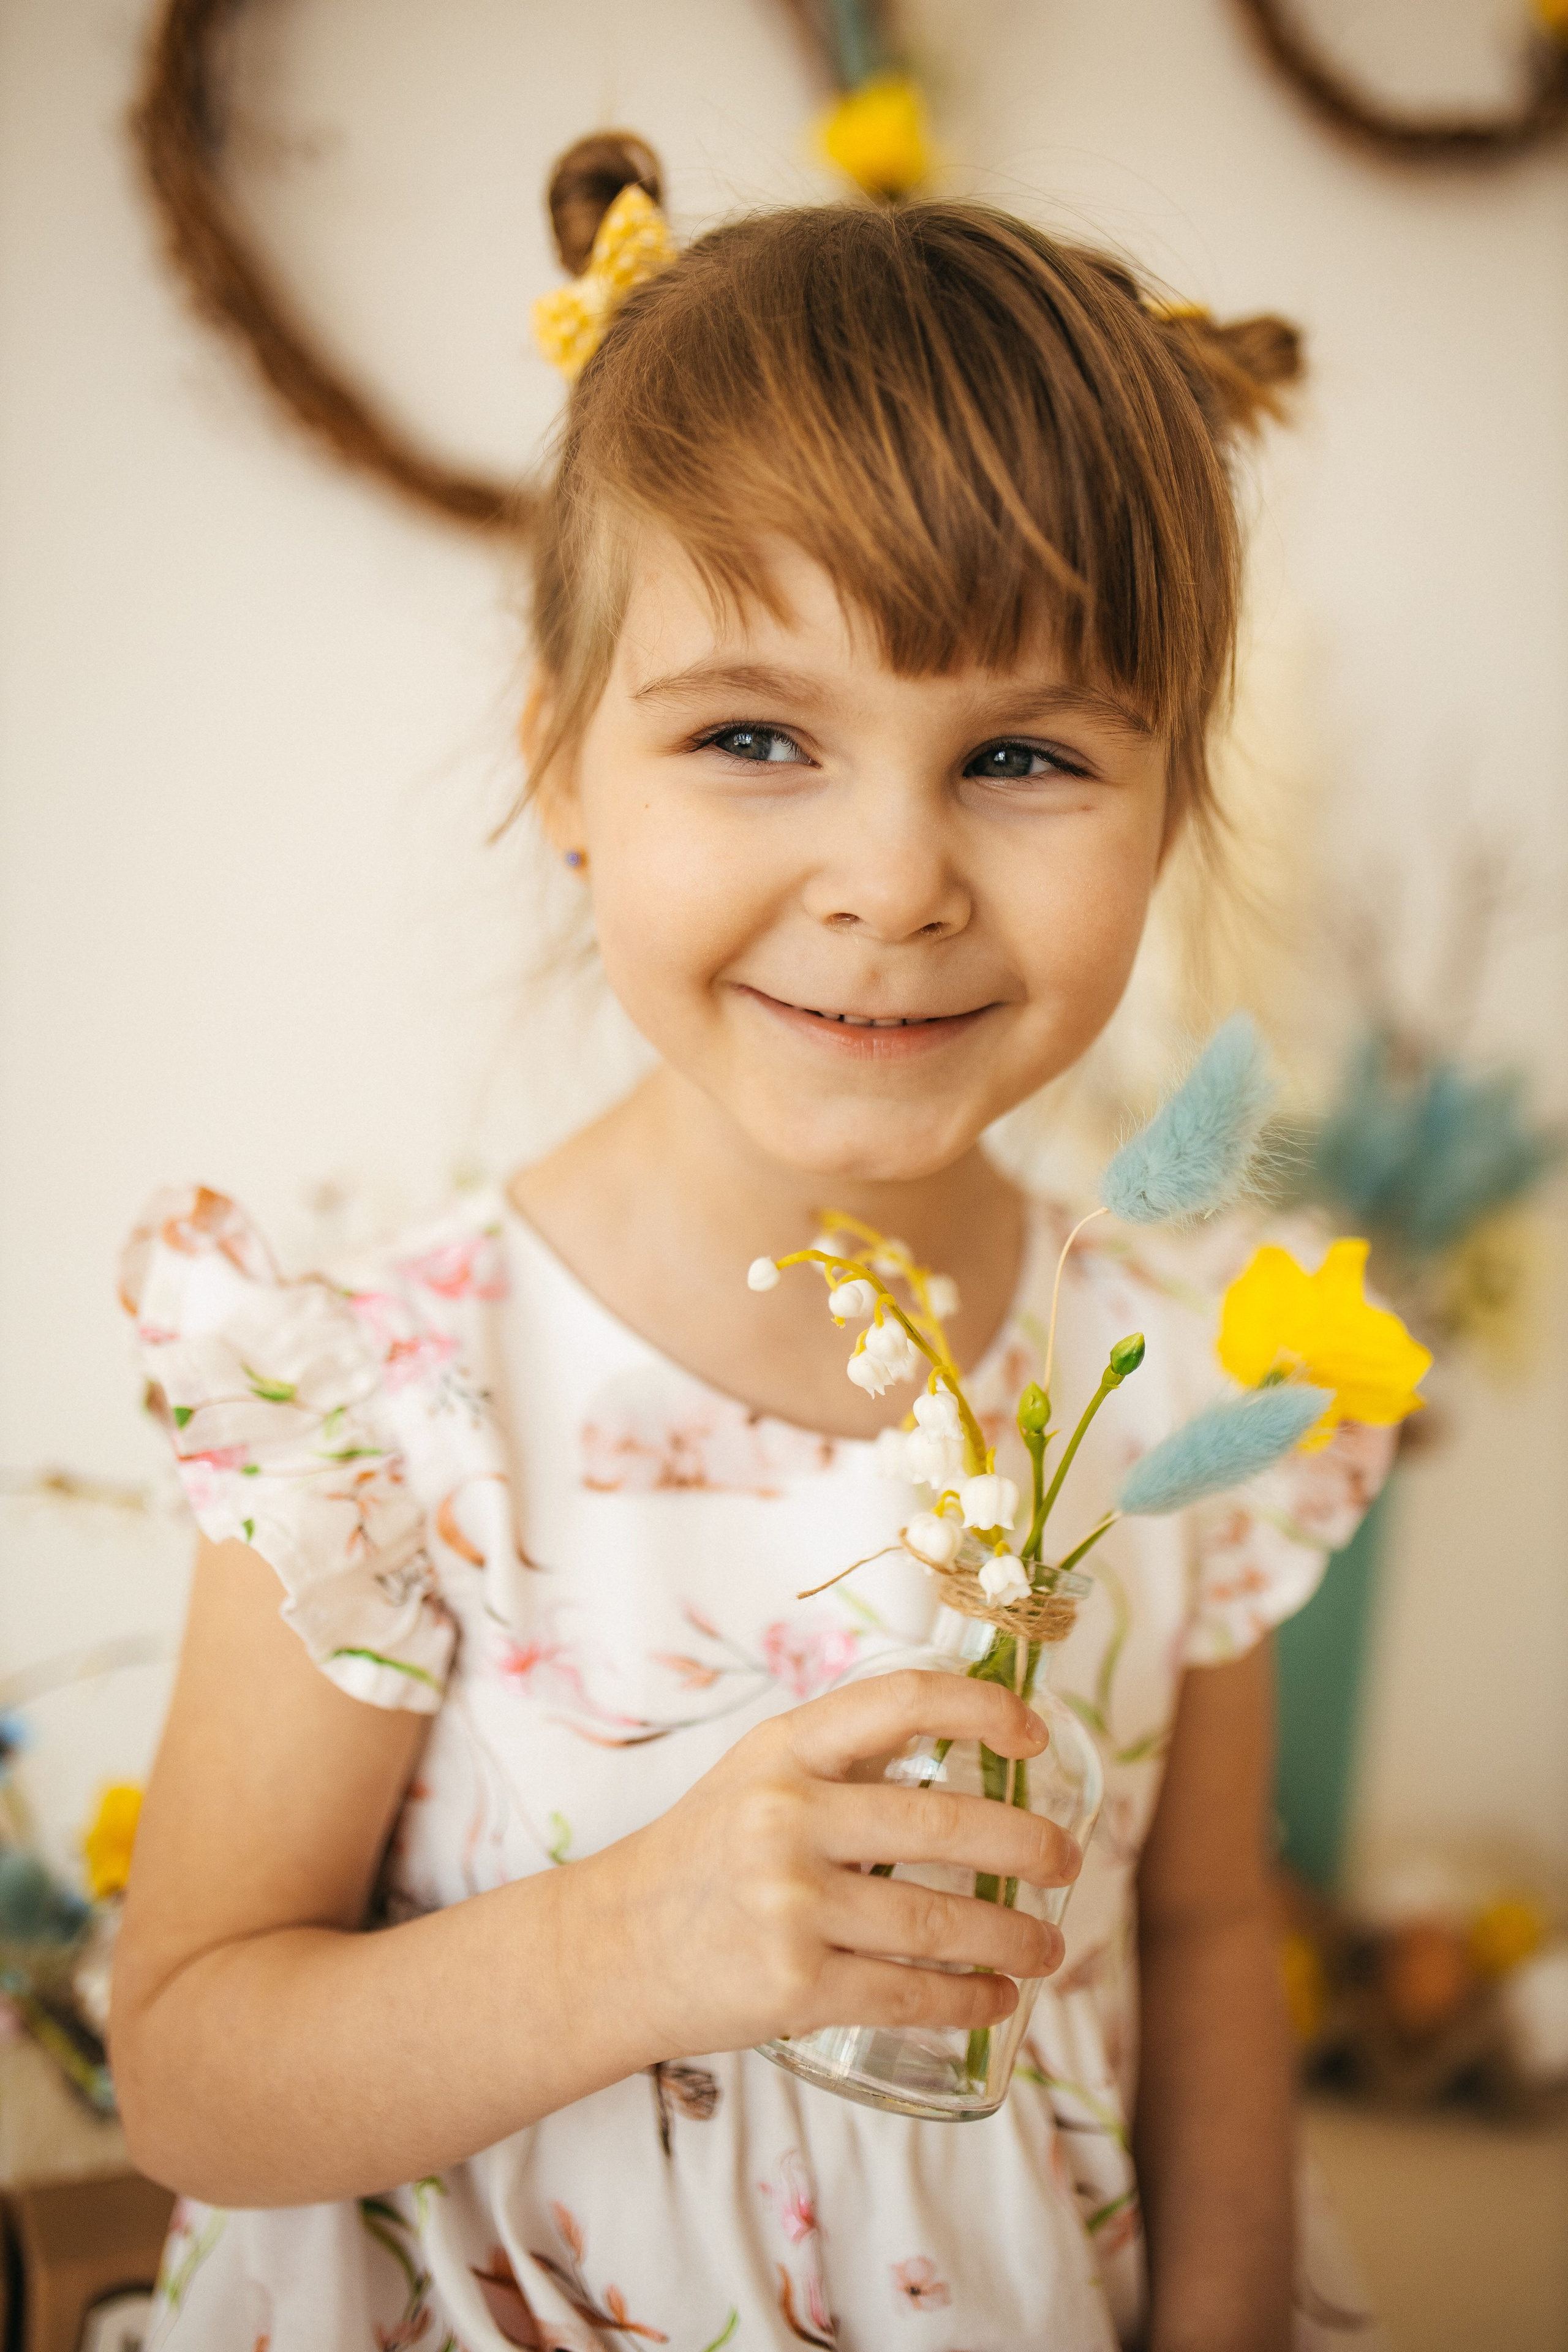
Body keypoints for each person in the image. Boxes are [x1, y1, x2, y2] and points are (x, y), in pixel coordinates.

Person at [111, 137, 1390, 2351]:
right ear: (569, 771)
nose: (894, 879)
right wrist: (645, 1940)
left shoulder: (1175, 1393)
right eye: (756, 736)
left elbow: (1195, 1943)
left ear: (1172, 805)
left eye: (1017, 752)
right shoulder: (383, 1395)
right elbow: (194, 2074)